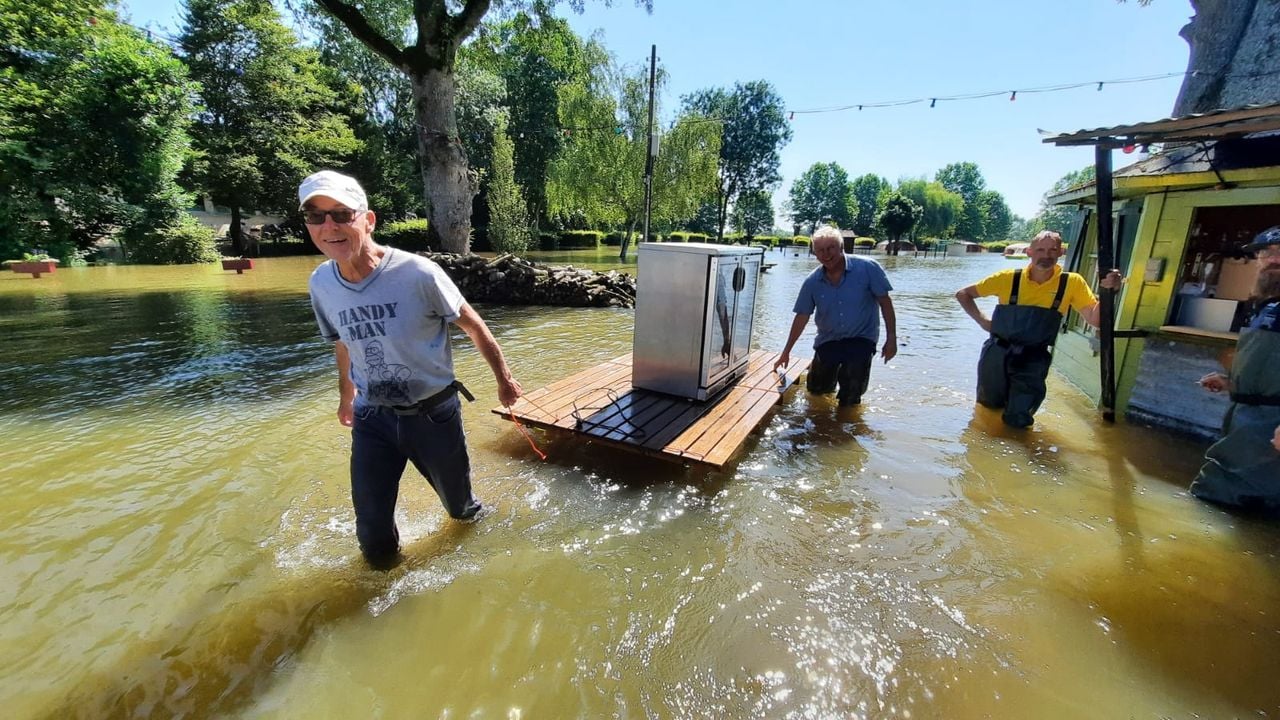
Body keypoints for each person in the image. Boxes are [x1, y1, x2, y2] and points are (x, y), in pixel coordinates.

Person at [300, 170, 523, 568]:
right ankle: (382, 604)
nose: (329, 226)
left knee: (462, 512)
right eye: (316, 217)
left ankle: (482, 566)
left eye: (341, 214)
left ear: (367, 221)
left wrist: (504, 382)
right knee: (371, 532)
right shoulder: (321, 283)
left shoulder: (418, 274)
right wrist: (345, 397)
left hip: (433, 416)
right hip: (372, 419)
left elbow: (473, 326)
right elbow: (342, 342)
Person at [955, 230, 1123, 428]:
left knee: (1020, 418)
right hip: (997, 353)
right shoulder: (1007, 278)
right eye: (1041, 249)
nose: (1046, 255)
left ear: (1061, 252)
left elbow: (1095, 320)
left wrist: (1109, 292)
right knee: (988, 409)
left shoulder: (1072, 283)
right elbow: (963, 294)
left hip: (1034, 358)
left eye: (1052, 250)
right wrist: (983, 321)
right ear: (1029, 252)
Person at [1190, 226, 1280, 510]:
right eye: (1266, 253)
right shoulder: (1265, 308)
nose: (1272, 260)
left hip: (1267, 431)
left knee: (1220, 498)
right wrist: (1233, 383)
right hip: (1245, 424)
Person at [774, 225, 897, 407]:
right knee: (816, 392)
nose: (826, 254)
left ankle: (844, 427)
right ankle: (822, 429)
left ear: (841, 247)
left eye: (831, 248)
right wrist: (786, 351)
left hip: (861, 339)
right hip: (828, 340)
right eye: (820, 250)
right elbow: (801, 316)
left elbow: (885, 302)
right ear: (815, 254)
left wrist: (892, 338)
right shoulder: (812, 282)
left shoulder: (868, 268)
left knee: (850, 394)